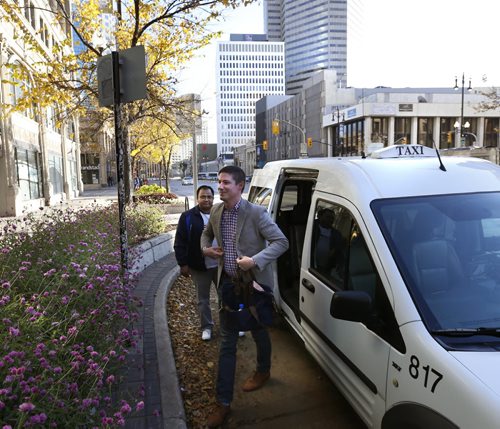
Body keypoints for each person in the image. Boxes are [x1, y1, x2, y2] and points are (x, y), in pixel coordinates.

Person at [201, 166, 289, 427]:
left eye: (226, 182)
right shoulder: (216, 211)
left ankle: (263, 370)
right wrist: (207, 249)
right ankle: (223, 403)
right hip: (227, 286)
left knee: (259, 330)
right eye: (219, 182)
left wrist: (255, 261)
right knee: (227, 342)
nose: (221, 187)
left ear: (240, 186)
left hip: (254, 288)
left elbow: (281, 242)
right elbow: (206, 235)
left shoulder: (256, 213)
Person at [174, 185, 218, 341]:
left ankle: (231, 324)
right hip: (199, 266)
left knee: (227, 295)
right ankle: (206, 327)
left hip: (221, 266)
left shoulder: (221, 213)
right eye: (203, 196)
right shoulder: (187, 217)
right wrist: (183, 264)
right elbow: (180, 241)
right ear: (197, 198)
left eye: (209, 197)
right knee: (202, 299)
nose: (206, 199)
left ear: (214, 198)